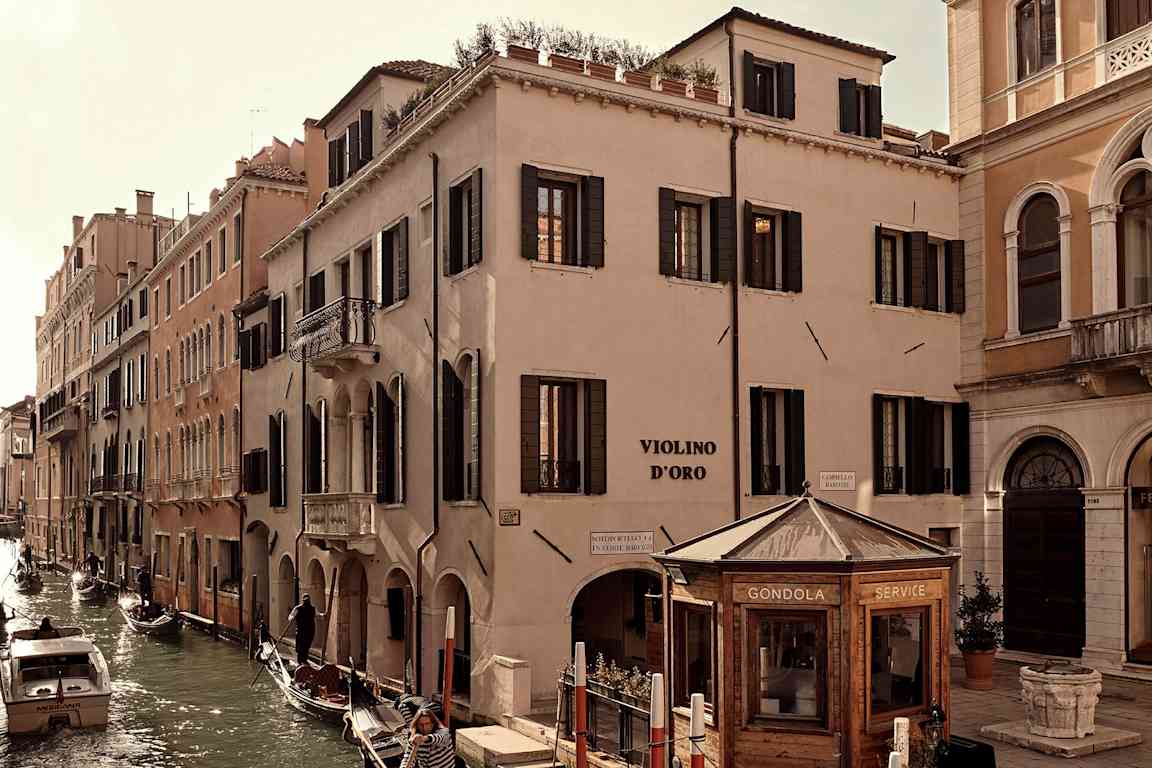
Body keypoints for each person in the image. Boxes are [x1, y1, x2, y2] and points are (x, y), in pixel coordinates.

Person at [287, 594, 323, 666]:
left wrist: (323, 615)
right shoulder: (297, 608)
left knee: (307, 645)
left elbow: (318, 615)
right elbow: (290, 617)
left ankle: (304, 660)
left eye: (307, 600)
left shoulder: (313, 608)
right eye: (305, 600)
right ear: (303, 600)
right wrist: (292, 618)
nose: (306, 601)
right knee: (300, 646)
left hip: (310, 630)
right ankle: (300, 661)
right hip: (301, 630)